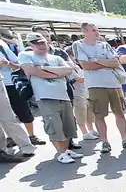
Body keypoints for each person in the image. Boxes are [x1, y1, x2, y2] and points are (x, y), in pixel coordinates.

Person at [17, 33, 83, 163]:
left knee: (67, 125)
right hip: (45, 96)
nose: (41, 45)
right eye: (37, 43)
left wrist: (43, 69)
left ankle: (65, 150)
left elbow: (68, 70)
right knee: (54, 126)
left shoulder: (56, 57)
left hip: (63, 95)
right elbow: (31, 71)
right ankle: (61, 153)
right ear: (30, 44)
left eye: (42, 42)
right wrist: (56, 72)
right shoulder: (26, 56)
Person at [73, 22, 126, 153]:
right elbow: (86, 65)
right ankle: (105, 142)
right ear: (85, 31)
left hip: (114, 83)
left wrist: (95, 60)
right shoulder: (79, 45)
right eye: (93, 30)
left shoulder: (105, 45)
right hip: (95, 85)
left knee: (120, 113)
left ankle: (125, 140)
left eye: (97, 30)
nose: (97, 32)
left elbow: (116, 62)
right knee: (99, 115)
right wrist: (106, 63)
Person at [0, 28, 44, 147]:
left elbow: (17, 64)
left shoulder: (2, 45)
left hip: (10, 82)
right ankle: (11, 138)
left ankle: (31, 136)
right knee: (4, 115)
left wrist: (7, 64)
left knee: (23, 110)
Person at [65, 46, 97, 140]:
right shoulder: (68, 66)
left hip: (85, 91)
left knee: (89, 111)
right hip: (77, 93)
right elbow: (77, 79)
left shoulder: (77, 66)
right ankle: (84, 132)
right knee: (80, 112)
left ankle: (91, 129)